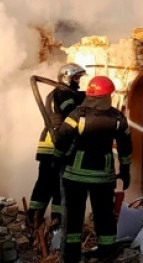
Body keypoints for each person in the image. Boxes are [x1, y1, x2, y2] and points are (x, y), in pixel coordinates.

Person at [54, 76, 132, 263]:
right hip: (103, 178)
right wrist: (125, 169)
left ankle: (71, 255)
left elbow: (62, 139)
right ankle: (107, 251)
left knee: (74, 216)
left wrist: (58, 160)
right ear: (107, 96)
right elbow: (125, 146)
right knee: (104, 214)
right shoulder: (117, 117)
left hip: (75, 176)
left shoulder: (77, 114)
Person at [28, 63, 88, 227]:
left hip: (54, 143)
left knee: (49, 183)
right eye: (76, 78)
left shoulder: (63, 93)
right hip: (55, 143)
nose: (78, 81)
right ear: (66, 77)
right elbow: (72, 114)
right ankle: (42, 218)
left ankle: (42, 218)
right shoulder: (63, 94)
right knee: (53, 183)